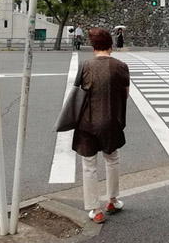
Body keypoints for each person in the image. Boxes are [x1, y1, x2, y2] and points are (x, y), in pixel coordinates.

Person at [72, 28, 130, 224]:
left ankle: (95, 210)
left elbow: (78, 93)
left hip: (87, 122)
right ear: (110, 46)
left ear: (93, 46)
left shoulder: (85, 65)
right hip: (111, 121)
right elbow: (125, 94)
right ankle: (112, 201)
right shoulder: (121, 66)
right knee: (112, 159)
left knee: (89, 166)